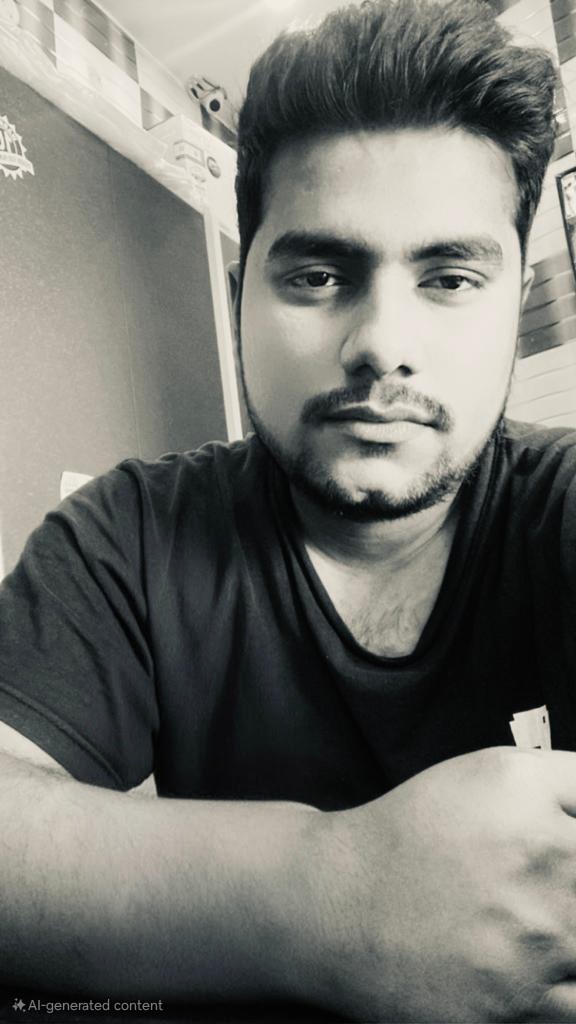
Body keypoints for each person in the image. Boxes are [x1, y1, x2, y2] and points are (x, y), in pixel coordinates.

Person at [0, 0, 575, 1020]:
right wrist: (333, 893)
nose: (381, 344)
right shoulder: (125, 536)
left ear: (512, 301)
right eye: (316, 275)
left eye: (450, 277)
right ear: (239, 299)